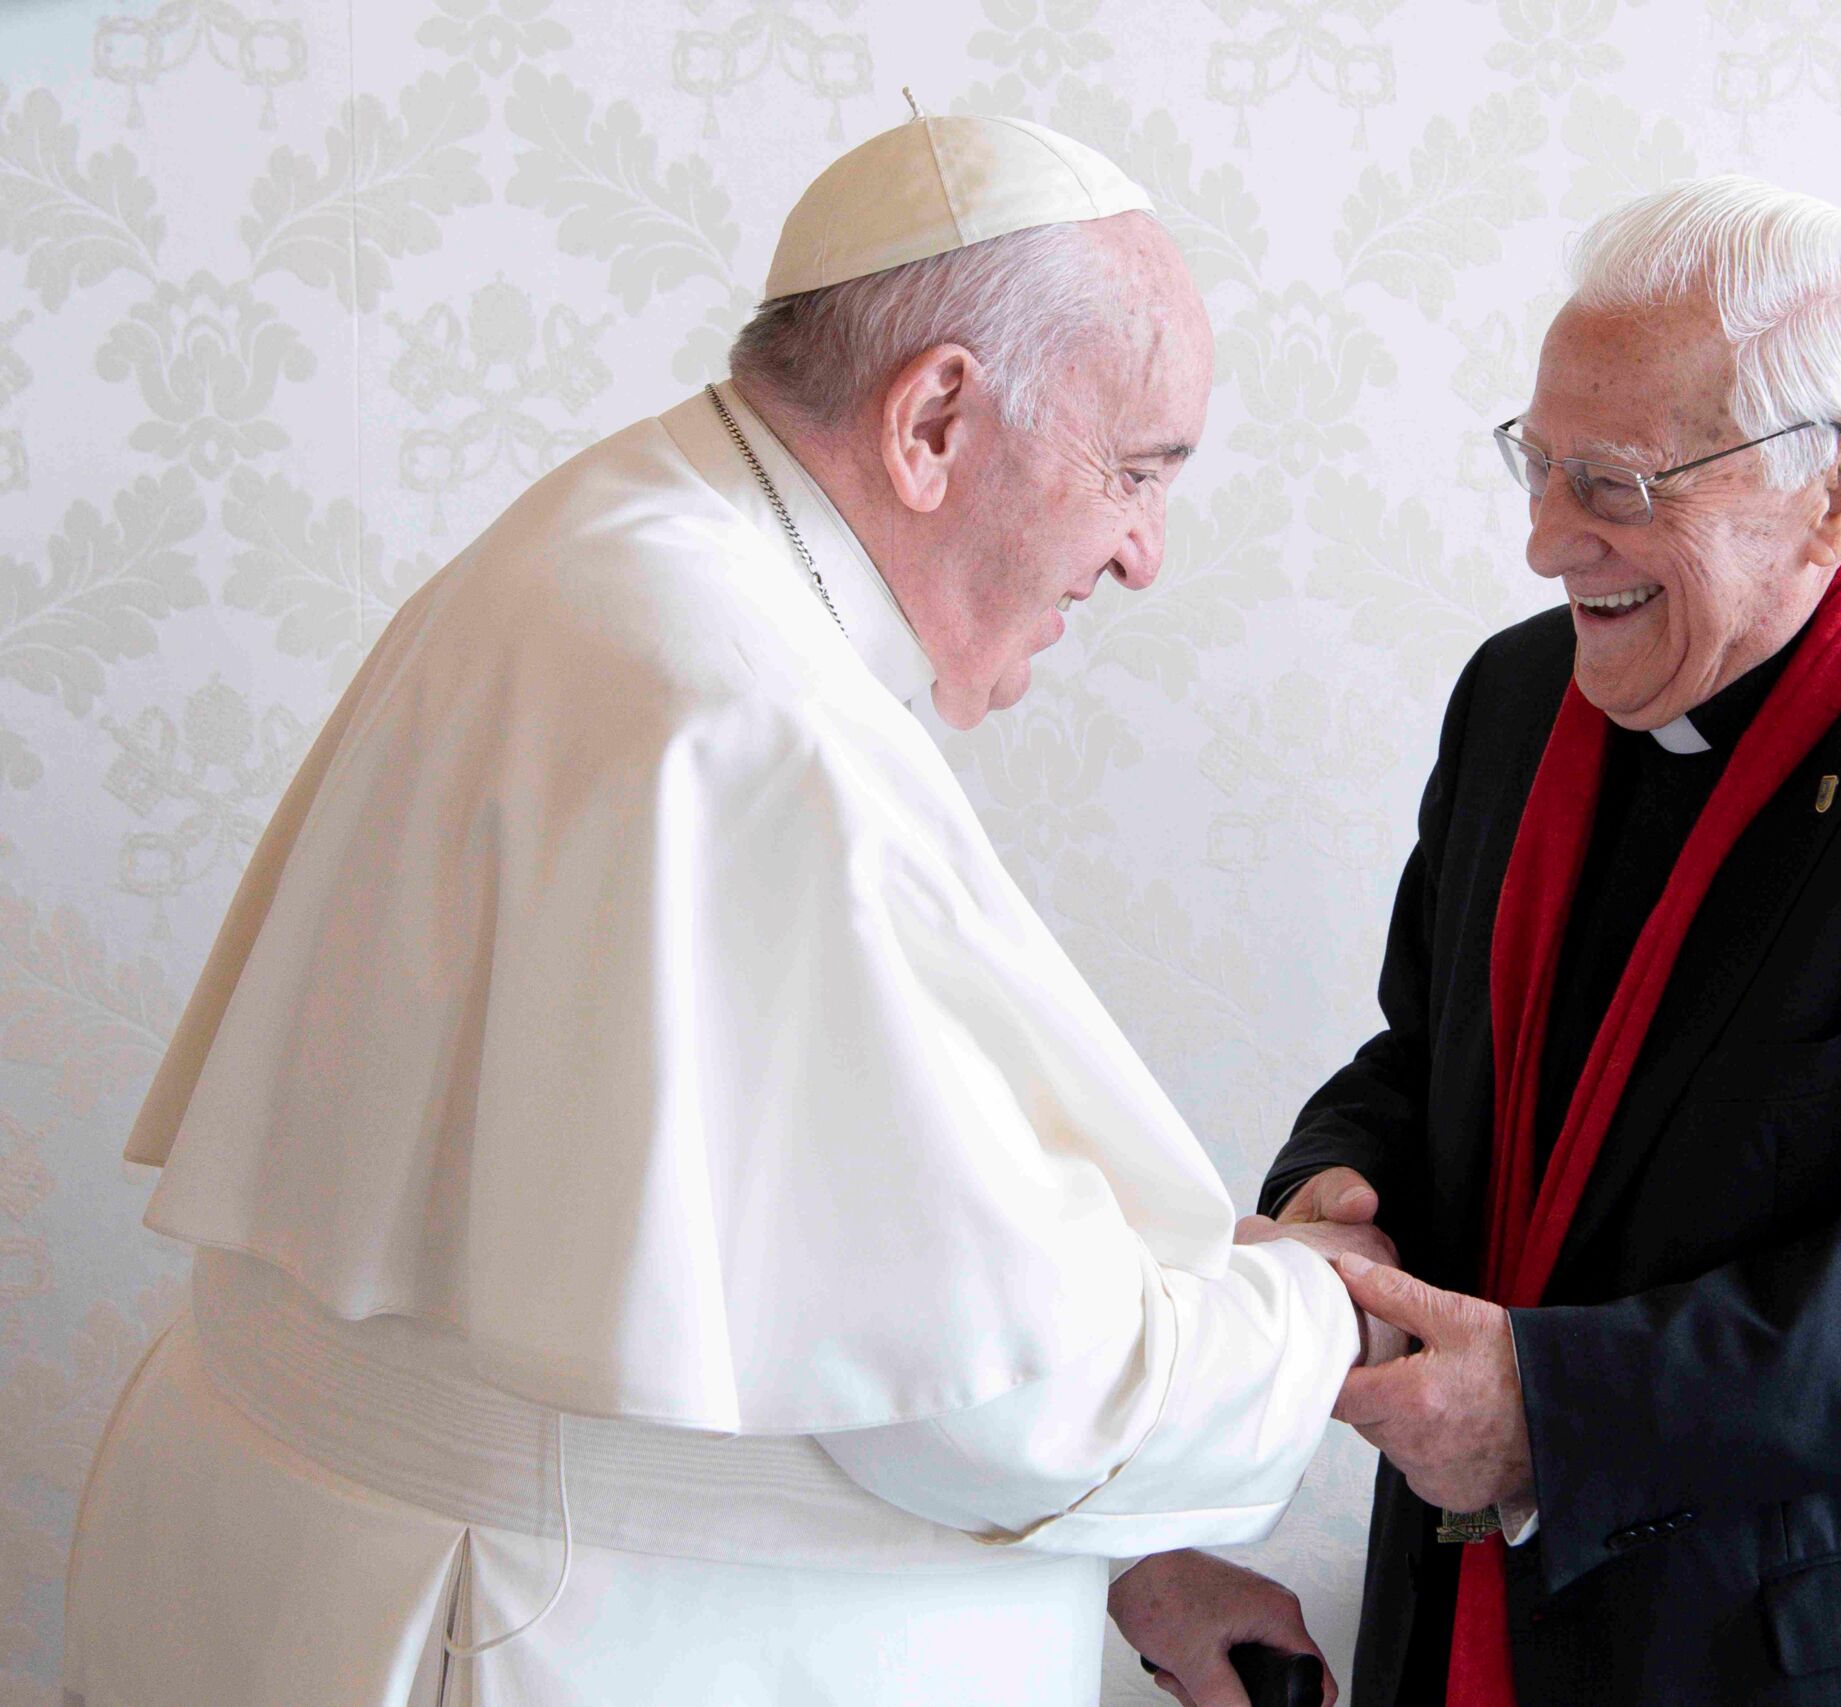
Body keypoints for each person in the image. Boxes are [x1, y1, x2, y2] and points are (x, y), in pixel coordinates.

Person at [64, 111, 1380, 1707]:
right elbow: (1019, 1398)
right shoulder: (752, 721)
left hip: (305, 1566)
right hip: (544, 1623)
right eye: (1136, 471)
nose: (1142, 554)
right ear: (936, 417)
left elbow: (812, 1285)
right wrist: (1317, 1314)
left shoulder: (623, 539)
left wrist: (1130, 1543)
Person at [1239, 177, 1841, 1705]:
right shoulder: (1512, 699)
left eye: (1615, 483)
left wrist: (1559, 1408)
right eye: (1539, 464)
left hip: (1839, 1651)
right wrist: (1334, 1187)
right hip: (1490, 1608)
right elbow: (1430, 1055)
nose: (1549, 540)